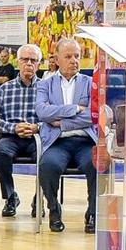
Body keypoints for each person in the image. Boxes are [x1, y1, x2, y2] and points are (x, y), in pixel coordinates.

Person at [35, 37, 100, 233]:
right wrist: (74, 108)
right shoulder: (45, 84)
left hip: (85, 141)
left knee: (96, 164)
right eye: (69, 56)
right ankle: (54, 210)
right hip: (57, 142)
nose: (74, 60)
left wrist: (62, 122)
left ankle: (93, 213)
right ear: (57, 59)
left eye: (77, 56)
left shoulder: (91, 83)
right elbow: (42, 112)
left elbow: (94, 115)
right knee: (48, 166)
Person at [0, 44, 45, 219]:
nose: (29, 64)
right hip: (11, 136)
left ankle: (40, 198)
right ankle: (11, 197)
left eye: (33, 60)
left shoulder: (47, 89)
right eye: (25, 59)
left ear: (38, 64)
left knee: (49, 158)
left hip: (37, 137)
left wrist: (37, 127)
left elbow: (54, 120)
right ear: (18, 62)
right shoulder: (4, 89)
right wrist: (13, 128)